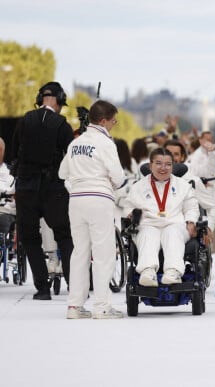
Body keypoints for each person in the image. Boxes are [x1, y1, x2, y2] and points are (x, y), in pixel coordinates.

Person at [59, 100, 127, 319]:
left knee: (79, 253)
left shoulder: (75, 143)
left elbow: (62, 173)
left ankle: (74, 306)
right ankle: (102, 306)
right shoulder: (106, 143)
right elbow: (118, 177)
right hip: (99, 199)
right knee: (103, 254)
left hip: (76, 200)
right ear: (104, 120)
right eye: (114, 120)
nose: (114, 124)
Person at [11, 81, 74, 300]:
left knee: (29, 237)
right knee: (64, 235)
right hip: (53, 187)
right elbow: (71, 156)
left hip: (26, 187)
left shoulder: (24, 121)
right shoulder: (63, 125)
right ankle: (74, 286)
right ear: (60, 100)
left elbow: (15, 151)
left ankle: (42, 288)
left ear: (40, 99)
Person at [126, 148, 200, 287]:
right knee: (147, 233)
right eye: (158, 163)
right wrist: (131, 214)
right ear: (150, 165)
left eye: (168, 164)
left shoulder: (183, 186)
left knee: (172, 233)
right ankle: (147, 272)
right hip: (148, 223)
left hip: (175, 224)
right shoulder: (138, 187)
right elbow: (128, 207)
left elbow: (191, 207)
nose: (163, 168)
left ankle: (173, 272)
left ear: (173, 166)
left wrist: (191, 221)